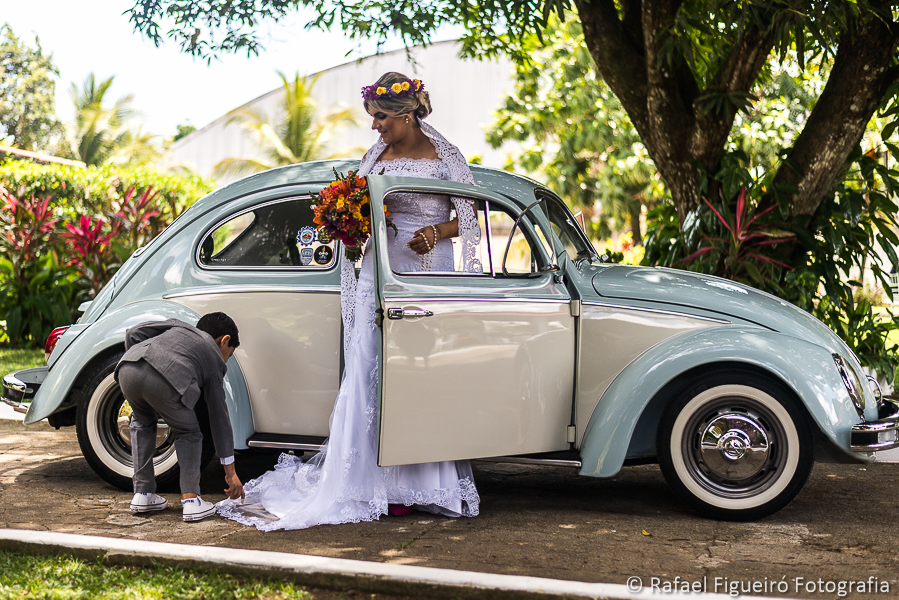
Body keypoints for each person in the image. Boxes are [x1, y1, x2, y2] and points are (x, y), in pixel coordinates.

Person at [216, 72, 481, 530]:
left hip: (427, 270)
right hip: (378, 272)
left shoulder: (447, 156)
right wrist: (348, 224)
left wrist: (437, 232)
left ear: (406, 114)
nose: (374, 126)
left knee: (420, 372)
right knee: (370, 370)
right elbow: (361, 210)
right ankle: (370, 484)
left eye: (380, 118)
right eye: (372, 118)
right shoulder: (373, 157)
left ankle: (422, 485)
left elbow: (469, 217)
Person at [115, 313, 245, 522]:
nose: (225, 360)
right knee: (189, 433)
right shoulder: (214, 357)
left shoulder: (180, 327)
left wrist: (142, 361)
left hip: (128, 367)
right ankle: (191, 501)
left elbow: (134, 332)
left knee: (142, 423)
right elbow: (218, 416)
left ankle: (143, 494)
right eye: (228, 355)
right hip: (165, 379)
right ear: (225, 340)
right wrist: (231, 473)